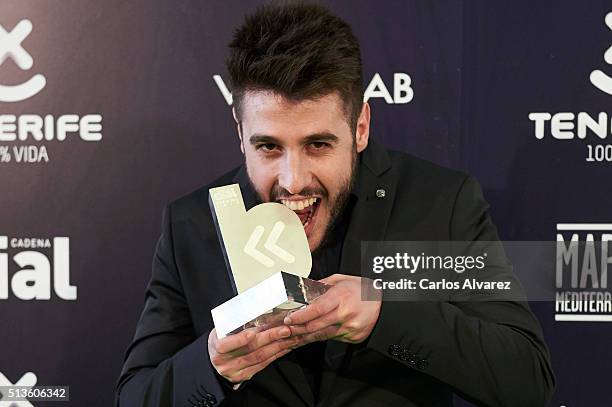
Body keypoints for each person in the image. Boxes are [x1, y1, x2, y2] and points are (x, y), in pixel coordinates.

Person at [116, 3, 555, 406]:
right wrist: (212, 367)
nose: (293, 180)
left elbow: (527, 381)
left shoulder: (438, 204)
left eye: (318, 144)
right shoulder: (193, 224)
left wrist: (382, 315)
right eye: (268, 147)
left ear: (360, 127)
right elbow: (134, 396)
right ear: (240, 132)